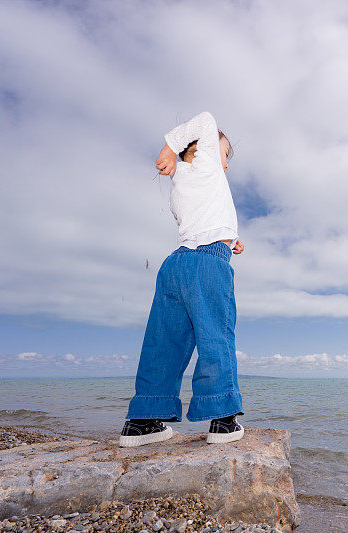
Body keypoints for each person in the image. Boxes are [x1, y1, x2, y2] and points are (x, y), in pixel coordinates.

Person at [120, 111, 246, 447]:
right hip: (206, 264)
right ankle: (222, 421)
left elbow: (203, 218)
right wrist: (168, 147)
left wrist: (231, 238)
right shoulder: (204, 165)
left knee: (164, 342)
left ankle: (142, 422)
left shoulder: (182, 183)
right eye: (225, 154)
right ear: (201, 150)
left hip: (176, 265)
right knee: (214, 336)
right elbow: (205, 119)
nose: (227, 164)